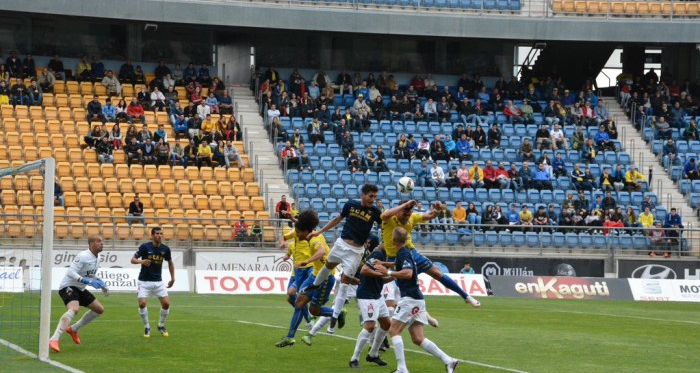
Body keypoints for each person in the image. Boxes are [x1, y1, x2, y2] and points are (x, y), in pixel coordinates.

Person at [301, 184, 382, 334]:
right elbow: (338, 219)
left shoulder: (376, 212)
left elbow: (385, 227)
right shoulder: (350, 205)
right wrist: (319, 231)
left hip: (355, 251)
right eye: (371, 196)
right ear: (363, 194)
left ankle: (334, 319)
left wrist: (382, 246)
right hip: (341, 244)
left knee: (345, 284)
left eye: (375, 197)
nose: (373, 199)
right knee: (327, 266)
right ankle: (315, 285)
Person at [380, 200, 480, 307]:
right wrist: (405, 205)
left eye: (409, 215)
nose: (407, 217)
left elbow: (431, 215)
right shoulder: (389, 217)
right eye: (405, 214)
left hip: (412, 253)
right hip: (394, 258)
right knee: (393, 285)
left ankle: (466, 296)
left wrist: (436, 209)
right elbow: (384, 215)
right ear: (399, 210)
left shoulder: (412, 217)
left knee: (437, 273)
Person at [387, 227, 460, 373]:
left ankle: (402, 369)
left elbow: (407, 273)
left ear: (393, 240)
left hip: (410, 299)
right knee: (417, 338)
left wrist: (388, 271)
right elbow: (401, 267)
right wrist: (385, 266)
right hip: (416, 299)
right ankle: (449, 360)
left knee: (394, 330)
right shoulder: (405, 253)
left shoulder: (403, 254)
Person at [275, 210, 335, 347]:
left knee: (312, 308)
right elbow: (300, 228)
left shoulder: (315, 238)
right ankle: (290, 336)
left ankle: (336, 313)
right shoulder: (308, 233)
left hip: (323, 276)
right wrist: (292, 218)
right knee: (298, 302)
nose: (296, 234)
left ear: (304, 230)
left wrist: (306, 261)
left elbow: (322, 252)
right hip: (313, 273)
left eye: (298, 230)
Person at [49, 235, 108, 353]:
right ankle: (54, 339)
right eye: (99, 241)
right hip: (68, 286)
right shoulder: (83, 256)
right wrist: (85, 280)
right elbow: (70, 272)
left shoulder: (98, 257)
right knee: (74, 309)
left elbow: (90, 274)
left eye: (102, 241)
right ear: (91, 244)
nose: (102, 243)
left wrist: (102, 284)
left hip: (80, 288)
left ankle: (73, 329)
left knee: (99, 309)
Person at [345, 238, 392, 368]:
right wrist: (383, 274)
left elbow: (381, 279)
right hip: (367, 295)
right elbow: (364, 271)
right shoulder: (378, 254)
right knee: (370, 326)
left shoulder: (386, 255)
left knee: (386, 323)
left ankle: (373, 354)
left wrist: (395, 276)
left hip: (377, 295)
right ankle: (354, 359)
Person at [130, 227, 175, 338]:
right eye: (157, 234)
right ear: (152, 235)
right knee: (142, 304)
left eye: (161, 234)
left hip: (158, 282)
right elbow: (133, 260)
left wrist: (173, 278)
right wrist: (142, 261)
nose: (160, 235)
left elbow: (170, 262)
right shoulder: (145, 247)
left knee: (166, 304)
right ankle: (147, 326)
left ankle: (161, 325)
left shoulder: (165, 249)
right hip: (144, 281)